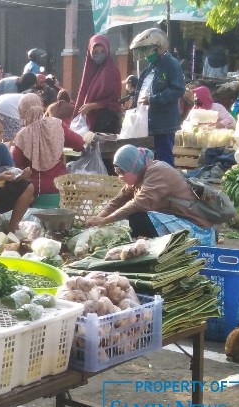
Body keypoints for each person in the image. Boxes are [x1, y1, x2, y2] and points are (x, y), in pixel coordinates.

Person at [85, 144, 215, 245]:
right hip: (179, 221)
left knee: (138, 218)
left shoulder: (157, 171)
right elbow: (119, 199)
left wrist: (106, 220)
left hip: (198, 231)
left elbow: (140, 203)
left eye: (121, 172)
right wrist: (99, 218)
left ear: (132, 166)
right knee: (131, 216)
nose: (120, 177)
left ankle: (154, 251)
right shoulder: (140, 172)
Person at [10, 93, 84, 204]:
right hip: (59, 188)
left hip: (33, 193)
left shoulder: (22, 135)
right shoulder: (57, 124)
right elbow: (79, 142)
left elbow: (14, 164)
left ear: (22, 112)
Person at [130, 28, 185, 167]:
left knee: (164, 159)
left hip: (165, 124)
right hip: (149, 124)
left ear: (158, 47)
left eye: (149, 51)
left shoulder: (172, 64)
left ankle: (167, 186)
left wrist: (153, 99)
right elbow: (140, 90)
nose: (147, 56)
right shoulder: (150, 68)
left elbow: (178, 89)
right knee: (149, 161)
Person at [73, 35, 122, 134]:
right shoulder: (90, 71)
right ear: (89, 52)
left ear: (107, 51)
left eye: (102, 51)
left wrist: (92, 106)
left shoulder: (111, 71)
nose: (98, 54)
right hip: (91, 122)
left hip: (107, 123)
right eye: (95, 52)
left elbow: (113, 99)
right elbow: (83, 93)